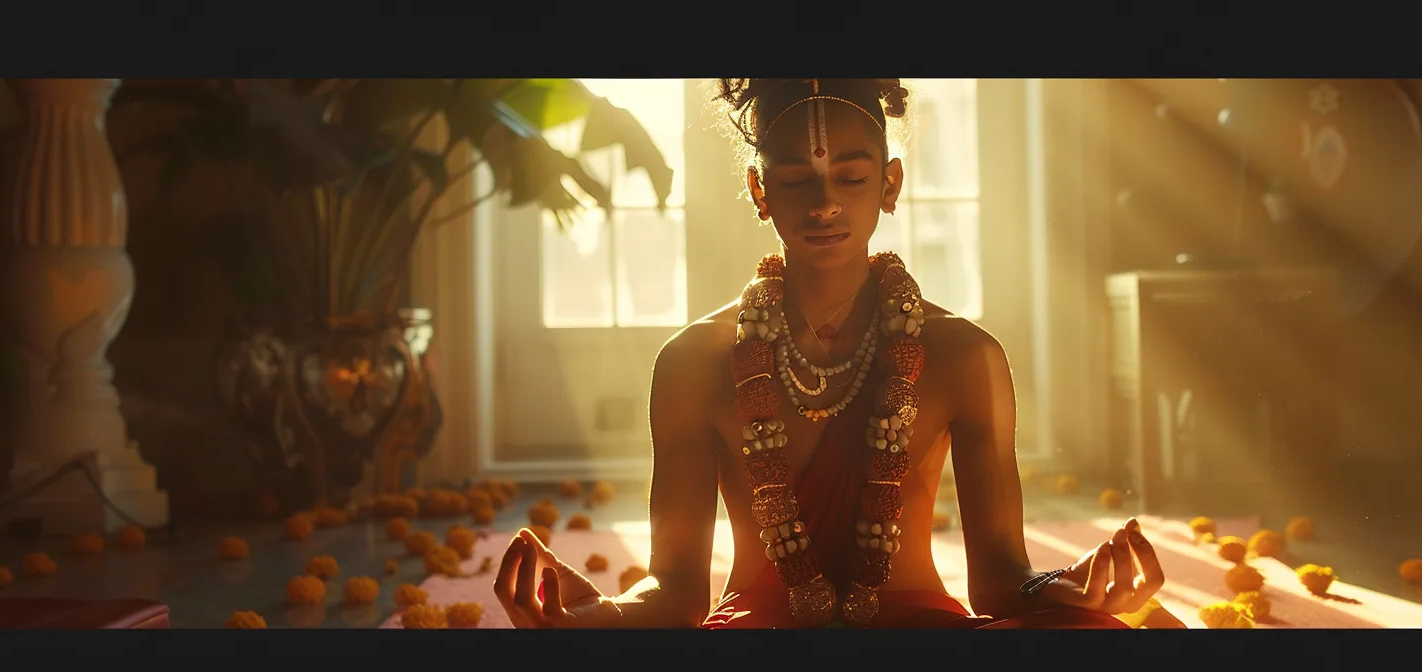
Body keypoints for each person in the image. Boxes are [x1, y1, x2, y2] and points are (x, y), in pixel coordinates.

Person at [494, 78, 1185, 629]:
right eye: (796, 180)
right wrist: (601, 616)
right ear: (760, 191)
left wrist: (1067, 590)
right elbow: (676, 596)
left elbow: (1001, 582)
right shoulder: (692, 362)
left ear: (891, 183)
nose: (824, 204)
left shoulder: (964, 356)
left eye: (851, 178)